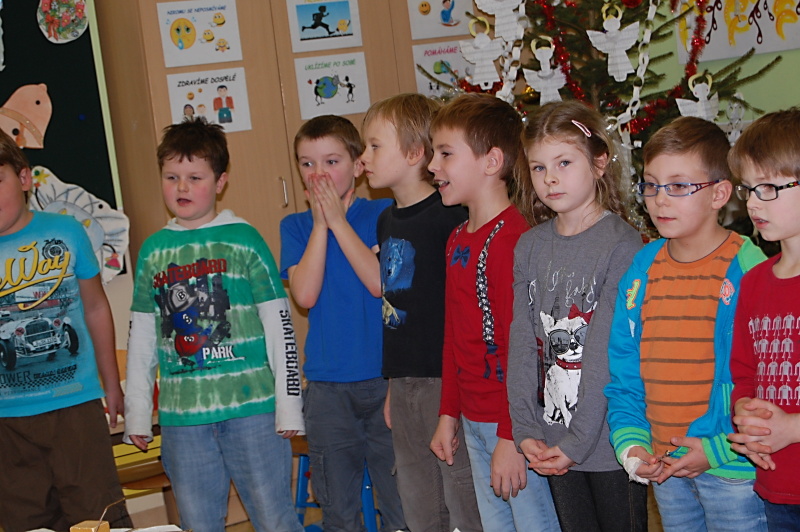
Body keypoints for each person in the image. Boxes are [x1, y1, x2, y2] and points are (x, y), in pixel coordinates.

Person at [123, 117, 304, 532]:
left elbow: (279, 325)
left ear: (221, 182)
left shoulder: (244, 239)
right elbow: (142, 339)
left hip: (252, 412)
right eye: (172, 177)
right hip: (183, 420)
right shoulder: (153, 250)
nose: (181, 187)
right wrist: (137, 414)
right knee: (199, 523)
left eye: (195, 177)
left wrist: (288, 404)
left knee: (275, 519)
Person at [604, 116, 767, 531]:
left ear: (719, 194)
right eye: (651, 185)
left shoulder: (749, 269)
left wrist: (717, 450)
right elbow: (624, 367)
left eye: (678, 187)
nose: (659, 200)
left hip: (733, 472)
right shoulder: (642, 269)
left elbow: (762, 378)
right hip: (666, 468)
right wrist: (632, 445)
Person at [507, 100, 647, 532]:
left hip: (607, 443)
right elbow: (521, 344)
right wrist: (524, 428)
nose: (549, 178)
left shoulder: (622, 245)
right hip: (550, 440)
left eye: (564, 163)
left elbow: (608, 353)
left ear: (599, 163)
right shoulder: (529, 246)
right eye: (538, 167)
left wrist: (578, 442)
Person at [428, 93, 560, 531]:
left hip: (514, 425)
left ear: (491, 161)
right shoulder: (457, 239)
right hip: (473, 419)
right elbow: (453, 334)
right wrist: (449, 414)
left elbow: (526, 349)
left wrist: (511, 434)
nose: (433, 165)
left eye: (445, 153)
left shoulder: (513, 241)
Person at [0, 129, 132, 531]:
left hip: (76, 407)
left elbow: (96, 307)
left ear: (24, 178)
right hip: (7, 421)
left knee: (99, 514)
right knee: (26, 521)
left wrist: (111, 382)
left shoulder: (66, 231)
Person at [361, 93, 482, 532]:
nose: (364, 157)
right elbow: (397, 311)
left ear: (415, 153)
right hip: (404, 381)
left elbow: (459, 310)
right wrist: (394, 385)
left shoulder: (449, 218)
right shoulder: (385, 221)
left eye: (375, 146)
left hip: (443, 381)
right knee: (415, 492)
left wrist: (455, 389)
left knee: (459, 490)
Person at [279, 115, 406, 532]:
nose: (318, 174)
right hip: (328, 390)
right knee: (337, 508)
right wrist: (321, 224)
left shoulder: (383, 213)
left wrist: (338, 221)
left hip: (385, 383)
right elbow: (305, 295)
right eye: (307, 164)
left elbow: (379, 283)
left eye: (331, 162)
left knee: (400, 502)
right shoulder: (295, 226)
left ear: (358, 166)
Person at [727, 108, 800, 530]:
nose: (753, 202)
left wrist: (792, 427)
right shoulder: (754, 282)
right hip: (777, 484)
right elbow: (745, 373)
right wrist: (746, 414)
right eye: (749, 188)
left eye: (769, 188)